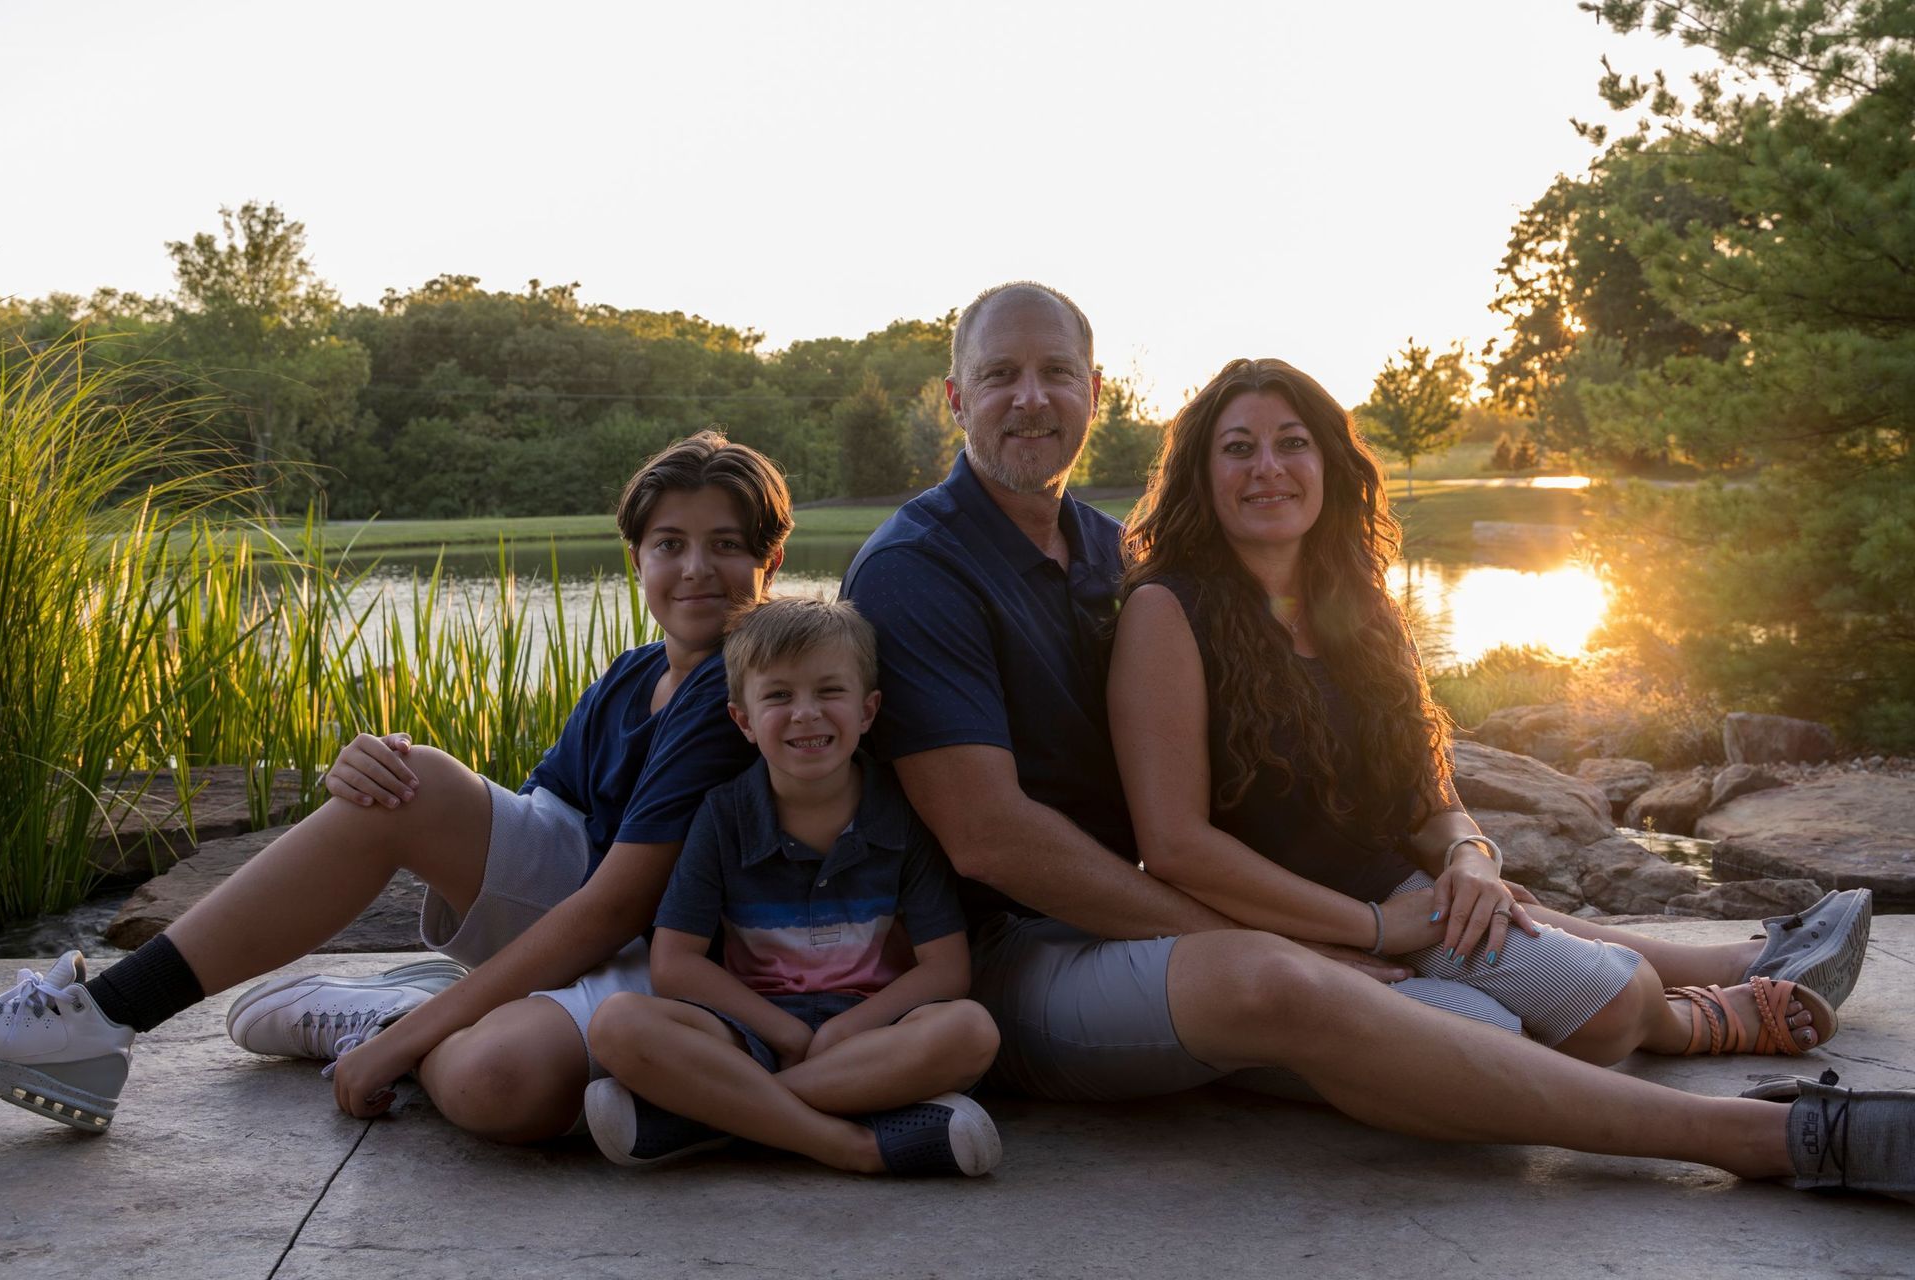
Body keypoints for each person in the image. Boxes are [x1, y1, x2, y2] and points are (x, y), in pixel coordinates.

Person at [841, 280, 1909, 1202]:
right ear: (955, 397)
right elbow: (993, 842)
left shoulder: (1103, 550)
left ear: (1095, 391)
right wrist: (1301, 942)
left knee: (1478, 1030)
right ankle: (1772, 1136)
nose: (1032, 398)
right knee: (1292, 986)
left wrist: (1459, 853)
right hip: (1005, 957)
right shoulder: (916, 569)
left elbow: (1359, 776)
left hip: (1154, 919)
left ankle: (1672, 994)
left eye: (1056, 372)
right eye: (1000, 376)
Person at [0, 429, 789, 1142]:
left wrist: (407, 1042)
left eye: (724, 545)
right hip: (598, 924)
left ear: (770, 562)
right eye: (669, 544)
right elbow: (539, 821)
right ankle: (104, 1016)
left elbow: (617, 905)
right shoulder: (636, 672)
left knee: (495, 1086)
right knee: (401, 777)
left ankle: (396, 1014)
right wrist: (381, 782)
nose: (694, 569)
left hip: (668, 954)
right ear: (637, 560)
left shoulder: (740, 692)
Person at [1109, 355, 1856, 1065]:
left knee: (1592, 995)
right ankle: (1693, 1016)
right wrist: (1370, 927)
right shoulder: (1167, 611)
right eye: (1239, 448)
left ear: (1330, 468)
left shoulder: (1362, 608)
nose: (1267, 468)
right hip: (1269, 928)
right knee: (1512, 1034)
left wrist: (1471, 859)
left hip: (1402, 902)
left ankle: (1704, 981)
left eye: (1292, 443)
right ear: (1203, 479)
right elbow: (1175, 847)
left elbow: (1430, 799)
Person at [582, 596, 1002, 1176]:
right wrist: (781, 1030)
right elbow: (674, 964)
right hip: (747, 1031)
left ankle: (714, 1116)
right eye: (778, 696)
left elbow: (946, 969)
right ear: (744, 721)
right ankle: (849, 1145)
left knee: (969, 1031)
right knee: (618, 1024)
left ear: (868, 710)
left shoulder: (901, 815)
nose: (805, 713)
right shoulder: (723, 816)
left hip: (868, 1037)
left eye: (829, 691)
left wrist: (840, 1032)